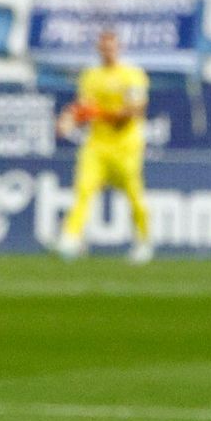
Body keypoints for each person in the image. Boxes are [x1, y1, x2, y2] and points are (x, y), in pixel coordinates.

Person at [56, 30, 151, 263]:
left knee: (134, 195)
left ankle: (143, 240)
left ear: (119, 48)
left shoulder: (132, 75)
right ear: (99, 49)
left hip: (126, 146)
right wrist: (68, 117)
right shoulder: (91, 76)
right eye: (104, 47)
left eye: (112, 47)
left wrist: (99, 112)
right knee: (83, 190)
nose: (108, 51)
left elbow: (135, 110)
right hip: (96, 145)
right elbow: (83, 106)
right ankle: (70, 239)